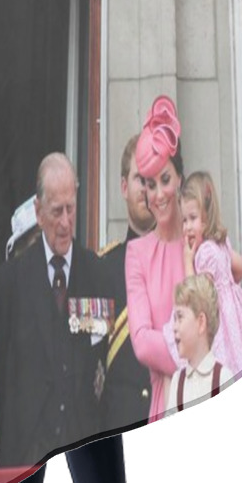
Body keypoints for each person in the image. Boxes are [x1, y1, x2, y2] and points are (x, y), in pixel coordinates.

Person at [0, 153, 140, 483]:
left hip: (87, 433)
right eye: (56, 211)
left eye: (72, 208)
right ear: (38, 211)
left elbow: (115, 359)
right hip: (23, 443)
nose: (66, 221)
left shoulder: (96, 272)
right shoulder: (15, 279)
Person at [125, 95, 185, 422]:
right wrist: (198, 357)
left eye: (165, 180)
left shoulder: (204, 242)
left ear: (180, 178)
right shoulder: (138, 254)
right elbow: (141, 343)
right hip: (165, 405)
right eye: (150, 185)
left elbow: (225, 323)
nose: (158, 194)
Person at [99, 135, 153, 433]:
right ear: (123, 187)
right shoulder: (102, 268)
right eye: (139, 179)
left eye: (153, 180)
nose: (146, 189)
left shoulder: (182, 262)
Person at [179, 171, 242, 377]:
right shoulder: (221, 242)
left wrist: (187, 260)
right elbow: (241, 267)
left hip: (221, 326)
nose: (187, 227)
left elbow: (197, 298)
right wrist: (227, 283)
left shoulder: (204, 252)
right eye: (184, 220)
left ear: (207, 216)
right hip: (236, 326)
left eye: (192, 218)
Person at [166, 274, 233, 413]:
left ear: (201, 322)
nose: (174, 327)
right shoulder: (177, 382)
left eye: (180, 317)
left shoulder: (223, 378)